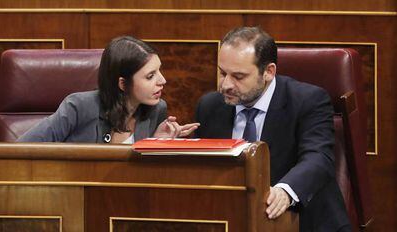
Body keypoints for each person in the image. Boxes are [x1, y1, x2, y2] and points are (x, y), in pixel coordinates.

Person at [194, 26, 350, 231]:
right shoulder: (210, 106)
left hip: (303, 220)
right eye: (222, 73)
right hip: (235, 221)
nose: (226, 85)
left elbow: (318, 158)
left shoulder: (308, 100)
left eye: (238, 77)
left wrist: (285, 191)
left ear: (268, 72)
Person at [18, 36, 199, 143]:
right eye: (150, 76)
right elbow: (20, 149)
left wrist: (157, 144)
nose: (163, 80)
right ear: (122, 84)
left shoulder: (157, 110)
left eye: (159, 70)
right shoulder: (78, 107)